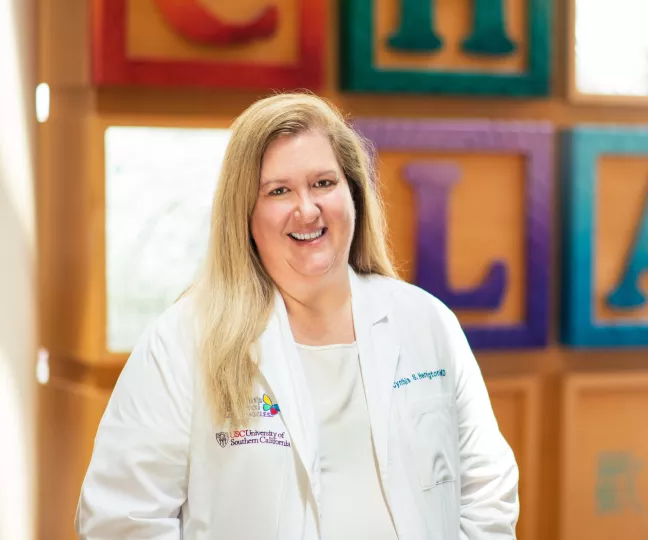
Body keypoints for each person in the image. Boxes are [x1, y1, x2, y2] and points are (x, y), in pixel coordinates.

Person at [75, 92, 520, 539]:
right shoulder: (182, 343)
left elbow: (488, 490)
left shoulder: (426, 322)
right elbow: (121, 520)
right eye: (279, 191)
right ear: (245, 213)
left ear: (354, 194)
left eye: (324, 183)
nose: (307, 209)